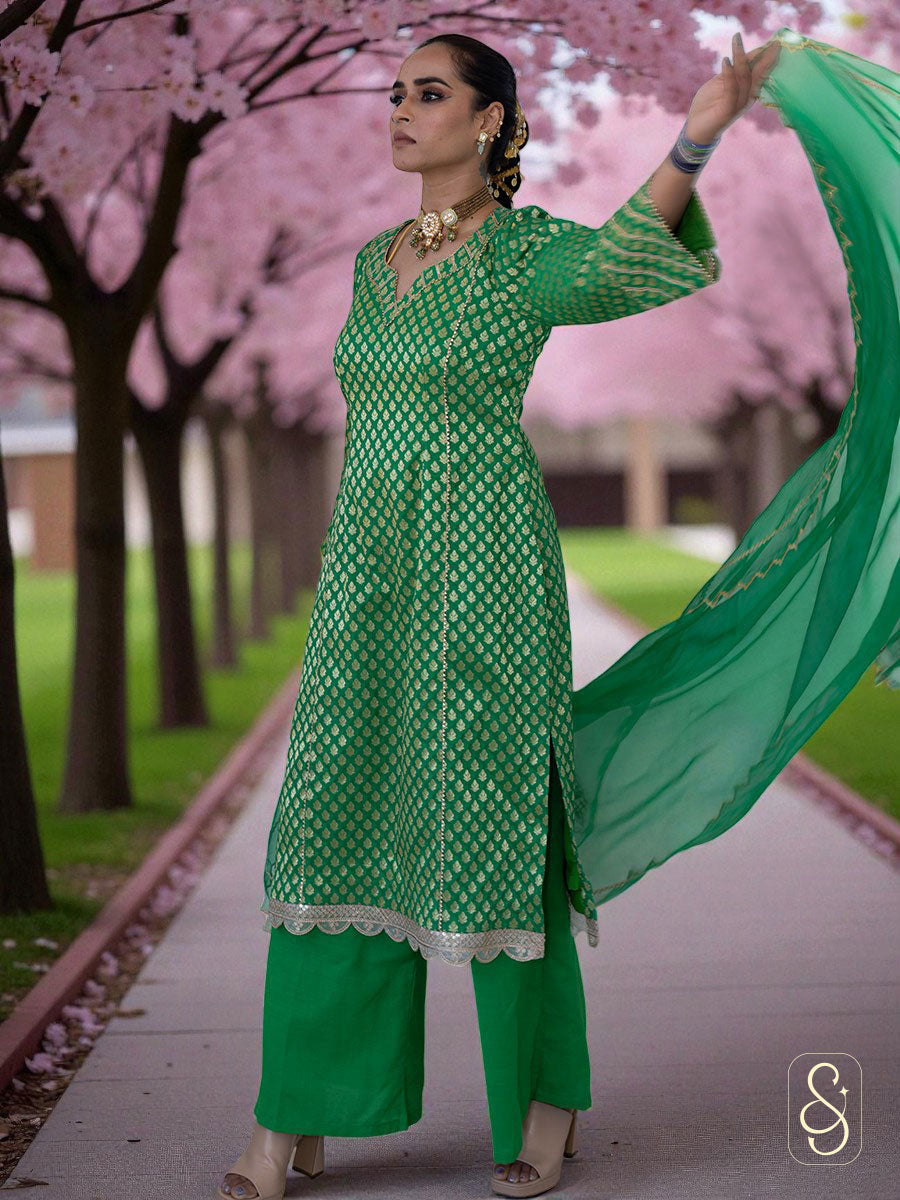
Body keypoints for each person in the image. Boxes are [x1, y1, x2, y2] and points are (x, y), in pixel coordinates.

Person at [217, 22, 898, 1200]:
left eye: (428, 95)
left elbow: (635, 256)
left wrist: (698, 131)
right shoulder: (372, 262)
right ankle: (301, 1112)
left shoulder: (525, 256)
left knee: (493, 821)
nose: (400, 111)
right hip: (369, 578)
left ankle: (541, 1099)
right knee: (333, 808)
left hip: (487, 573)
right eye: (395, 93)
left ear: (489, 122)